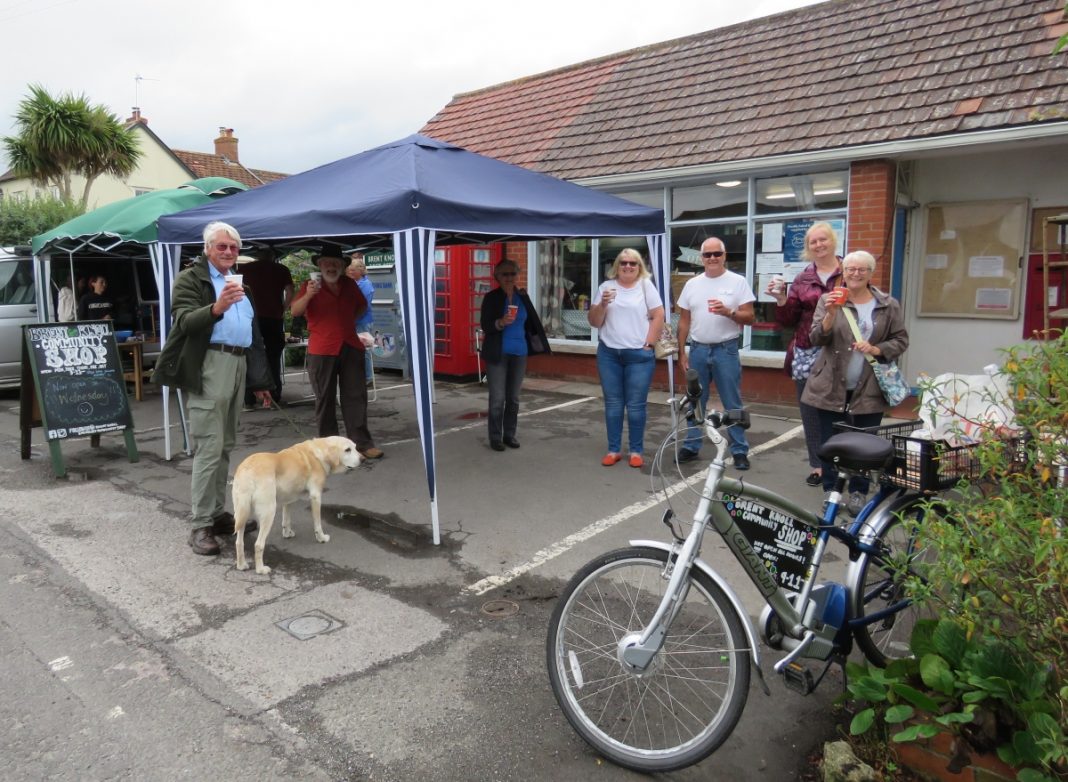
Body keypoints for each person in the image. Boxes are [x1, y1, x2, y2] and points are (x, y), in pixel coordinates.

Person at [151, 221, 272, 556]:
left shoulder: (241, 285)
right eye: (222, 246)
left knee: (225, 445)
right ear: (207, 249)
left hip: (237, 364)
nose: (229, 252)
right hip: (209, 364)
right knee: (208, 446)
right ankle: (201, 524)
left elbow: (254, 337)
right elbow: (185, 321)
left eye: (234, 247)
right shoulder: (192, 279)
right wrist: (217, 307)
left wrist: (260, 382)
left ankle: (217, 513)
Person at [801, 250, 909, 516]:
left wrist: (876, 349)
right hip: (829, 385)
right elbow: (816, 338)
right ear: (843, 272)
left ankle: (858, 491)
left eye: (862, 269)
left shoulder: (887, 304)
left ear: (871, 273)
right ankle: (831, 490)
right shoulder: (829, 299)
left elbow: (901, 340)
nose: (855, 274)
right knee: (830, 442)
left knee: (864, 442)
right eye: (850, 269)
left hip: (868, 387)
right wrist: (830, 313)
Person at [766, 222, 843, 487]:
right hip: (808, 349)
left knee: (841, 411)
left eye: (823, 240)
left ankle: (843, 463)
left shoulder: (849, 272)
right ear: (808, 247)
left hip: (840, 351)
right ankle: (818, 465)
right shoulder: (803, 278)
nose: (819, 245)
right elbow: (788, 320)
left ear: (833, 241)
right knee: (810, 412)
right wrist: (780, 299)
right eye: (813, 242)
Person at [290, 247, 383, 460]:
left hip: (350, 345)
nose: (331, 267)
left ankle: (362, 444)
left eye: (335, 263)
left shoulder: (349, 284)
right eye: (326, 263)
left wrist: (346, 322)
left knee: (356, 397)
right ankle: (329, 448)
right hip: (322, 348)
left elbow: (361, 307)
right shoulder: (309, 285)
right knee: (325, 399)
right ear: (319, 265)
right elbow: (295, 311)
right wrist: (309, 295)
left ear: (342, 267)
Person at [676, 237, 755, 470]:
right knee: (694, 400)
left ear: (724, 255)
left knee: (732, 401)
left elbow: (750, 317)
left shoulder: (738, 281)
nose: (712, 258)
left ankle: (739, 449)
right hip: (698, 349)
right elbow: (683, 321)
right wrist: (681, 352)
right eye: (707, 255)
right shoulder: (692, 284)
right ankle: (691, 445)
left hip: (725, 349)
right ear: (701, 258)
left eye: (716, 254)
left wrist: (729, 312)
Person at [588, 248, 664, 468]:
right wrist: (602, 304)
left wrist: (649, 343)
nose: (628, 266)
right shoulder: (606, 287)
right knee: (613, 403)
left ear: (640, 267)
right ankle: (613, 450)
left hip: (638, 355)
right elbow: (594, 321)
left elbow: (658, 315)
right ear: (617, 266)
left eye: (633, 263)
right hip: (609, 353)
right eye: (624, 263)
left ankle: (636, 450)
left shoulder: (645, 286)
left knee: (636, 405)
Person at [479, 259, 551, 451]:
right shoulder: (492, 297)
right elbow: (485, 325)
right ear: (497, 277)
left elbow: (531, 323)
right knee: (497, 398)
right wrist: (501, 322)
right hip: (498, 353)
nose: (509, 278)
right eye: (505, 274)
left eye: (512, 274)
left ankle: (509, 434)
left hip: (520, 353)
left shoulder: (522, 297)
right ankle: (495, 437)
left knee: (514, 398)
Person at [240, 248, 293, 406]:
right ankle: (274, 396)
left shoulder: (244, 269)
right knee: (273, 357)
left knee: (249, 356)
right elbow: (290, 291)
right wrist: (283, 308)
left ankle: (248, 399)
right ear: (273, 256)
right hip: (273, 316)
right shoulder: (282, 269)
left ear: (256, 255)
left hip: (250, 317)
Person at [344, 250, 375, 385]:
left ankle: (368, 378)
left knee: (364, 350)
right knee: (354, 350)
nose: (350, 272)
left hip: (362, 322)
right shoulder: (353, 283)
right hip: (353, 321)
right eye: (349, 270)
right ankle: (358, 376)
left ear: (361, 271)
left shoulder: (366, 285)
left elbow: (364, 306)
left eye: (353, 270)